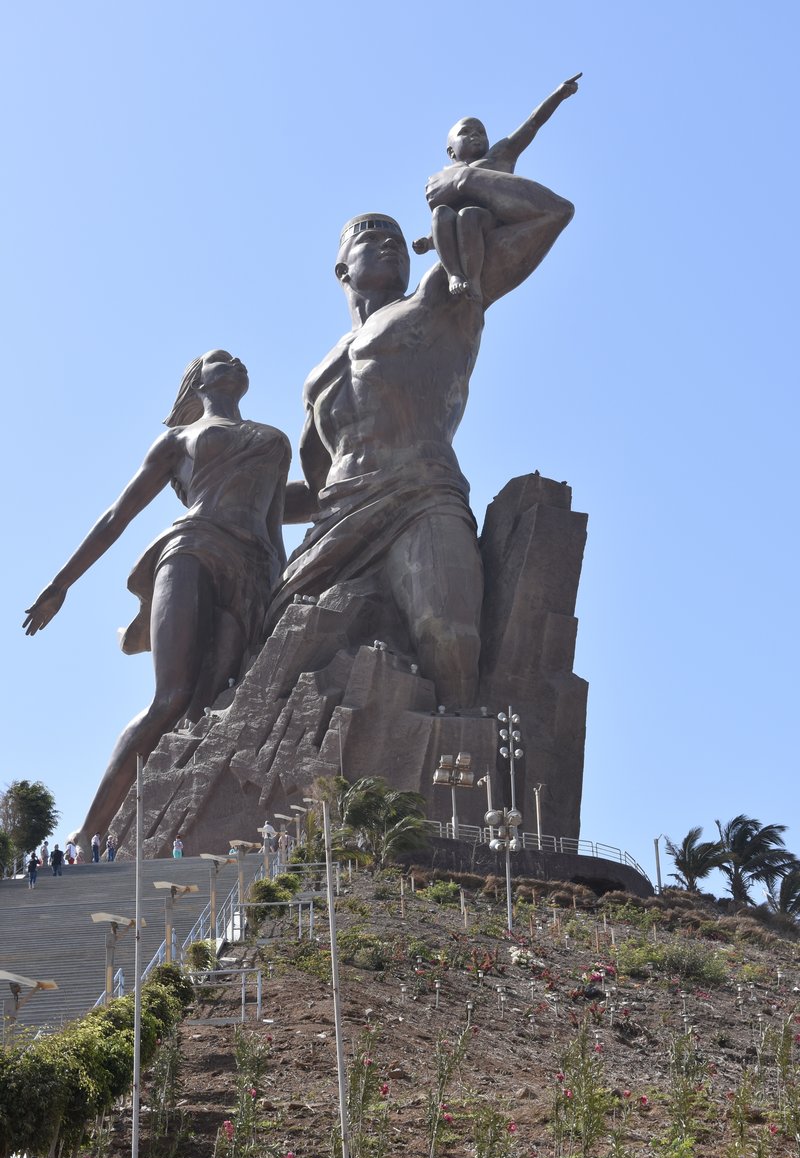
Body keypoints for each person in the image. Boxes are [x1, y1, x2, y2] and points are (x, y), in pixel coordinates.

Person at [267, 162, 574, 709]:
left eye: (397, 240)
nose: (390, 246)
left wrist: (465, 182)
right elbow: (314, 486)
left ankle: (468, 784)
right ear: (342, 269)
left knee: (450, 639)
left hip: (422, 497)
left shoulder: (442, 299)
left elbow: (551, 212)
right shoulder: (318, 376)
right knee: (269, 660)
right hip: (336, 521)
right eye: (370, 238)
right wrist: (235, 506)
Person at [24, 350, 291, 854]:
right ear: (197, 385)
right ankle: (90, 831)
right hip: (192, 548)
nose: (236, 362)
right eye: (220, 360)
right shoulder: (177, 441)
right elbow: (116, 516)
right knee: (170, 698)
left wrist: (282, 585)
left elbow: (275, 523)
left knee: (210, 703)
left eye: (237, 359)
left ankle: (181, 825)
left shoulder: (275, 441)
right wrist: (62, 583)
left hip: (254, 569)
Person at [413, 74, 580, 300]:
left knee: (468, 215)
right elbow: (445, 226)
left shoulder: (497, 157)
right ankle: (455, 274)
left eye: (480, 132)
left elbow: (532, 124)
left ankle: (472, 281)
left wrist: (558, 95)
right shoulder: (440, 179)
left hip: (487, 221)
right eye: (466, 132)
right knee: (441, 213)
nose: (475, 135)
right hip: (456, 230)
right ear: (451, 151)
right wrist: (428, 241)